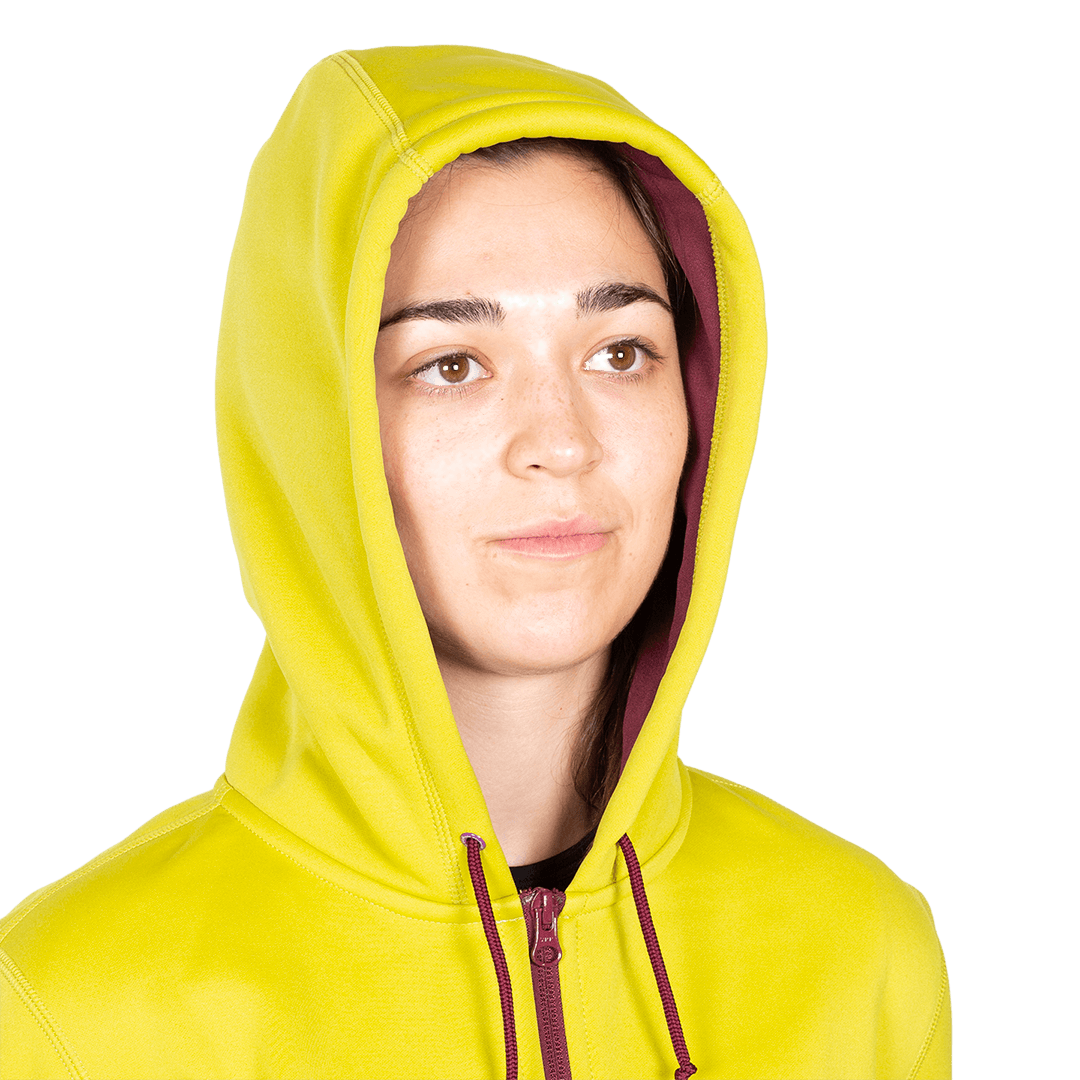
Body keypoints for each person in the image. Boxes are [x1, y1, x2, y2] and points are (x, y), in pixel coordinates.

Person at [0, 44, 952, 1079]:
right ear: (313, 426)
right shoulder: (69, 1003)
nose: (561, 442)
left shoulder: (864, 950)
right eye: (451, 365)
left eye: (620, 352)